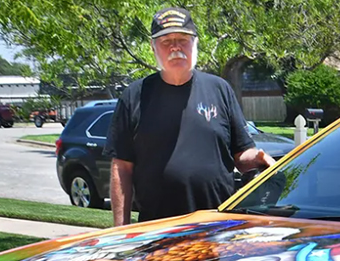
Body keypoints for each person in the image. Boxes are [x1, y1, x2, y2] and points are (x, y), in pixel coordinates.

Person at [104, 6, 275, 226]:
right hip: (157, 229)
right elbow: (121, 168)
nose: (175, 47)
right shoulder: (135, 96)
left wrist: (259, 157)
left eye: (183, 40)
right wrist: (121, 231)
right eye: (166, 41)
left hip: (216, 226)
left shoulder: (220, 89)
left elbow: (240, 154)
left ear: (195, 44)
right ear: (153, 47)